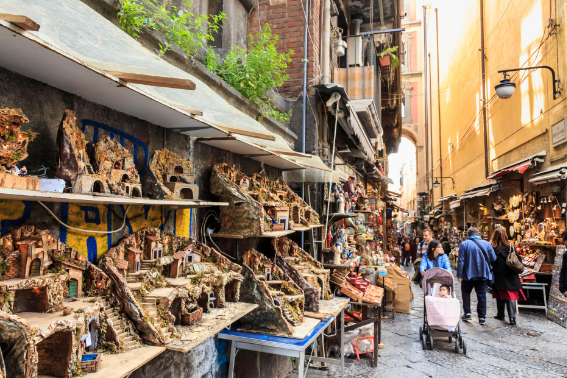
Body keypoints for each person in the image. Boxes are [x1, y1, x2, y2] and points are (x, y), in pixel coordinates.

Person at [457, 227, 497, 326]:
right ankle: (482, 317)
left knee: (466, 292)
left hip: (468, 274)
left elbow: (461, 261)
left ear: (468, 235)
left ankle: (467, 313)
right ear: (478, 234)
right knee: (482, 295)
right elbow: (493, 258)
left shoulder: (464, 244)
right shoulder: (487, 244)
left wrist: (459, 274)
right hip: (483, 274)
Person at [491, 228, 525, 326]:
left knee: (499, 295)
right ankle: (512, 318)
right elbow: (518, 259)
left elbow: (491, 260)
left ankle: (500, 314)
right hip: (511, 274)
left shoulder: (493, 247)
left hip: (499, 274)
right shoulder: (511, 246)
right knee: (511, 296)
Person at [558, 230, 567, 297]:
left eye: (564, 239)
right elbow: (563, 271)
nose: (563, 242)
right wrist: (563, 289)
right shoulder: (565, 255)